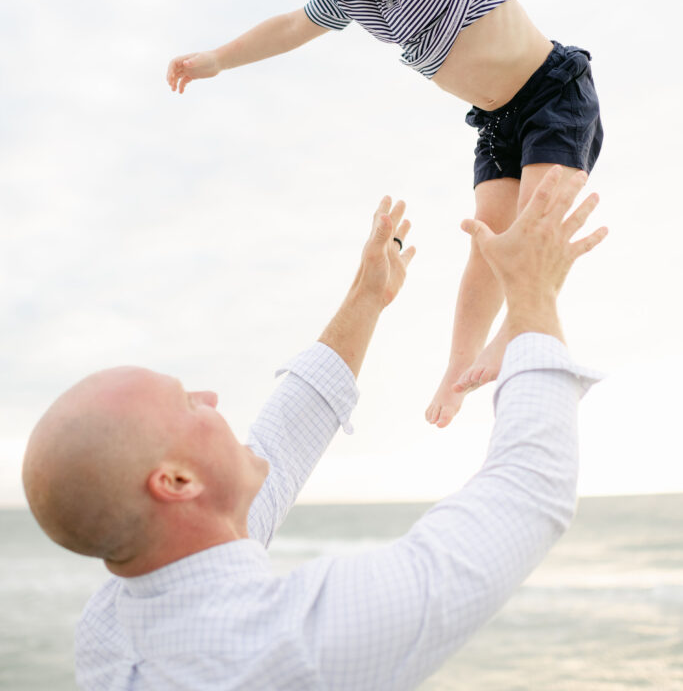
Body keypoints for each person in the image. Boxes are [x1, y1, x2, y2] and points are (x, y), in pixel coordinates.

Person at [23, 168, 606, 691]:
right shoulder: (296, 645)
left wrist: (367, 296)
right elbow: (528, 492)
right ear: (174, 482)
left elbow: (280, 442)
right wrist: (533, 292)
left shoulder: (111, 626)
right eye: (187, 405)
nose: (210, 397)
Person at [165, 0, 604, 429]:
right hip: (497, 123)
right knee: (486, 242)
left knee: (534, 229)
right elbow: (292, 26)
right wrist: (218, 59)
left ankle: (515, 328)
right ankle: (459, 363)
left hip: (552, 92)